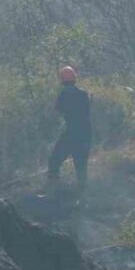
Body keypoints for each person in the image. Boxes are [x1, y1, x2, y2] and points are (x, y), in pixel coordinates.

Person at [44, 66, 92, 195]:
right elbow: (87, 113)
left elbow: (55, 114)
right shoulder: (84, 94)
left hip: (71, 133)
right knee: (81, 165)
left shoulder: (63, 95)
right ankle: (82, 196)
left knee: (54, 161)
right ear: (74, 79)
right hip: (85, 133)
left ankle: (53, 191)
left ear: (62, 81)